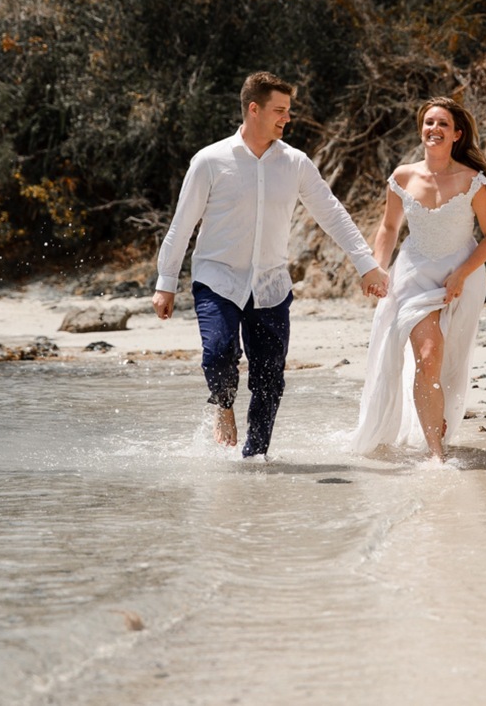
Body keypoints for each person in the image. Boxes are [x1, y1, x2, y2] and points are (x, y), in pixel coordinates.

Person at [152, 71, 388, 458]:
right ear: (254, 109)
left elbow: (332, 213)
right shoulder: (210, 161)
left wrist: (366, 264)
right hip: (218, 279)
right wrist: (166, 282)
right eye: (280, 110)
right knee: (218, 352)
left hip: (271, 285)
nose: (287, 118)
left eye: (289, 111)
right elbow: (183, 222)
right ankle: (223, 403)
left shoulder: (295, 163)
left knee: (269, 379)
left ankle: (255, 457)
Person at [350, 97, 486, 462]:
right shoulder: (403, 176)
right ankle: (436, 455)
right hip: (414, 274)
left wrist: (461, 275)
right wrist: (377, 268)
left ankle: (437, 426)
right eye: (428, 123)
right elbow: (389, 227)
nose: (433, 129)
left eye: (442, 124)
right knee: (429, 355)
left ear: (457, 134)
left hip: (461, 276)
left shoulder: (473, 182)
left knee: (449, 360)